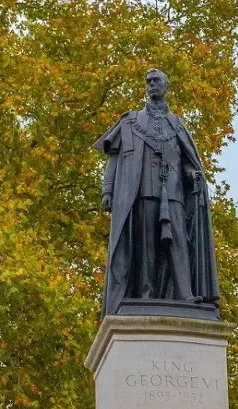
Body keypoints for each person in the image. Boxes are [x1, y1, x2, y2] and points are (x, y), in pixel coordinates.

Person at [93, 69, 219, 316]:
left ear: (166, 86)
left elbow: (186, 161)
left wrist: (193, 174)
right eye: (148, 81)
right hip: (143, 192)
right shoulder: (130, 122)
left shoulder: (177, 125)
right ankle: (146, 295)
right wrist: (108, 190)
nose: (151, 85)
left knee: (179, 242)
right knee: (146, 245)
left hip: (173, 193)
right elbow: (114, 159)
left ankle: (185, 294)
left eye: (156, 81)